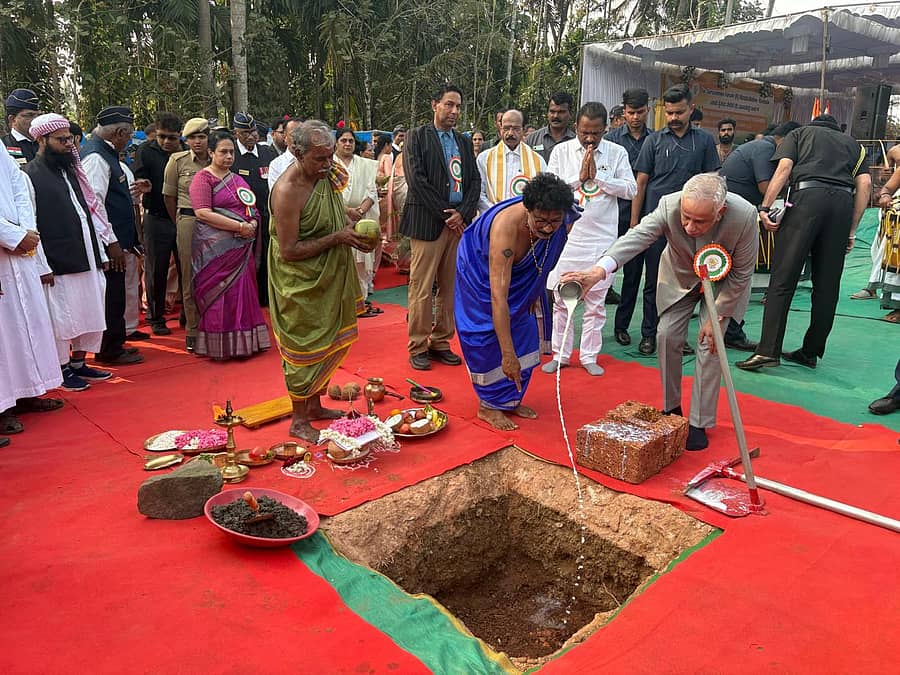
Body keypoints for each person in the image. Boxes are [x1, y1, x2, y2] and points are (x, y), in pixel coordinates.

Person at [563, 174, 758, 450]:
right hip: (679, 277)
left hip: (723, 286)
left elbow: (742, 272)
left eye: (700, 221)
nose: (689, 227)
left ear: (721, 211)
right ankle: (671, 409)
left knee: (709, 345)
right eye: (686, 218)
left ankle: (699, 422)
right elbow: (636, 238)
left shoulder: (745, 215)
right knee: (666, 335)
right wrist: (598, 270)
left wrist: (719, 315)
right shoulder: (669, 205)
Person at [737, 114, 872, 371]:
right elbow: (864, 184)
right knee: (827, 286)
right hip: (842, 205)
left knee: (783, 279)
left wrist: (765, 207)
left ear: (814, 124)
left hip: (806, 200)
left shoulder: (798, 135)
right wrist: (852, 230)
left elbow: (784, 169)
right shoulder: (855, 145)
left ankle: (767, 351)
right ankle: (810, 352)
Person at [268, 120, 374, 442]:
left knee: (325, 344)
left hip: (328, 274)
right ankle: (299, 420)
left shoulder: (325, 175)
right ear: (297, 153)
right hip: (298, 279)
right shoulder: (287, 190)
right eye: (320, 158)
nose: (328, 164)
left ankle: (314, 406)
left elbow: (328, 207)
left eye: (330, 157)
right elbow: (289, 251)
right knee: (304, 347)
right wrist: (338, 238)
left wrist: (348, 217)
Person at [456, 173, 579, 430]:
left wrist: (531, 291)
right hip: (480, 274)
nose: (548, 228)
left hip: (523, 275)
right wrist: (507, 355)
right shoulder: (506, 231)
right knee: (486, 333)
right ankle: (488, 406)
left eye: (554, 221)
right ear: (528, 209)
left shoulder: (564, 220)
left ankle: (509, 400)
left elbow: (548, 256)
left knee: (524, 328)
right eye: (541, 221)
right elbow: (498, 298)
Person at [22, 113, 116, 392]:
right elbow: (30, 223)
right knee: (64, 319)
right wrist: (41, 265)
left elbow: (90, 212)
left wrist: (103, 251)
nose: (69, 145)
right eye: (61, 140)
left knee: (91, 313)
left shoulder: (72, 170)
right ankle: (62, 369)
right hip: (57, 260)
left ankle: (79, 364)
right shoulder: (29, 175)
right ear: (41, 139)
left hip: (87, 254)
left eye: (70, 139)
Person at [626, 84, 720, 355]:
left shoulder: (703, 141)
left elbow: (713, 181)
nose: (674, 117)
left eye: (679, 112)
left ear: (691, 109)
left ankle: (677, 336)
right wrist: (635, 221)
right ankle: (649, 334)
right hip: (658, 222)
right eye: (669, 113)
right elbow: (640, 183)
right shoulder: (653, 141)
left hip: (692, 226)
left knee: (688, 283)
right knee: (654, 281)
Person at [544, 102, 636, 376]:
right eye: (585, 132)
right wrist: (578, 177)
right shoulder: (561, 151)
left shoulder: (617, 152)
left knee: (596, 302)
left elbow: (631, 189)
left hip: (602, 239)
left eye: (596, 133)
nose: (590, 138)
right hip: (569, 237)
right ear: (576, 128)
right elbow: (550, 185)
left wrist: (602, 178)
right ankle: (560, 355)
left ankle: (589, 355)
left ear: (605, 129)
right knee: (562, 299)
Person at [400, 83, 480, 371]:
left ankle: (442, 341)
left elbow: (474, 182)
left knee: (450, 287)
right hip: (428, 222)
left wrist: (462, 213)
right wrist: (446, 213)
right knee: (422, 287)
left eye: (458, 106)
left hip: (457, 226)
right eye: (449, 104)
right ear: (434, 105)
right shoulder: (417, 137)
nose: (454, 111)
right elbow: (416, 179)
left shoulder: (462, 141)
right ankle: (418, 345)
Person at [0, 140, 63, 442]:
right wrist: (12, 235)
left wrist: (26, 229)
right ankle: (3, 406)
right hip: (4, 250)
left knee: (24, 326)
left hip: (21, 251)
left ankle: (27, 392)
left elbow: (18, 187)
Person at [188, 130, 270, 360]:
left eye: (231, 152)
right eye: (223, 152)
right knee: (220, 293)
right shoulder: (203, 179)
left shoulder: (238, 179)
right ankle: (221, 347)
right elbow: (202, 213)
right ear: (211, 152)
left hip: (241, 249)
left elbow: (250, 206)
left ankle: (245, 343)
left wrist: (252, 221)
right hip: (217, 251)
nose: (228, 156)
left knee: (242, 292)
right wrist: (239, 228)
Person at [719, 121, 801, 350]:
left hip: (732, 214)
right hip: (733, 216)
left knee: (730, 275)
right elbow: (767, 187)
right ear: (786, 139)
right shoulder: (764, 149)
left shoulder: (758, 147)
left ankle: (727, 327)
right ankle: (730, 331)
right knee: (738, 275)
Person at [81, 105, 144, 365]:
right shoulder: (96, 157)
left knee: (117, 293)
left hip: (115, 238)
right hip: (109, 242)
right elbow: (94, 204)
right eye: (128, 136)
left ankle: (116, 341)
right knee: (111, 295)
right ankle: (109, 349)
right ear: (119, 132)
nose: (128, 141)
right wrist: (112, 242)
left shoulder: (106, 153)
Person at [605, 88, 652, 340]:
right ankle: (611, 325)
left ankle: (637, 329)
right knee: (612, 271)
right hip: (615, 216)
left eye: (640, 112)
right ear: (623, 112)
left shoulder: (655, 139)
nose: (635, 117)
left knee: (641, 276)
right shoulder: (612, 140)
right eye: (631, 112)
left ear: (648, 111)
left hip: (646, 216)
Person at [132, 111, 183, 336]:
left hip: (184, 218)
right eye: (162, 136)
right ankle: (155, 316)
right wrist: (142, 183)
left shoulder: (188, 152)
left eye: (171, 137)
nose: (166, 142)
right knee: (156, 269)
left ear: (179, 136)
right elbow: (137, 176)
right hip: (156, 218)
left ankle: (189, 313)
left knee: (188, 268)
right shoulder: (145, 150)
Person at [162, 117, 211, 352]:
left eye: (201, 136)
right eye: (192, 138)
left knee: (214, 274)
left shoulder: (219, 158)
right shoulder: (177, 161)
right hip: (188, 220)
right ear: (186, 140)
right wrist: (181, 221)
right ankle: (193, 328)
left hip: (216, 222)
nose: (197, 142)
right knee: (189, 275)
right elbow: (168, 197)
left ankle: (215, 326)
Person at [231, 112, 278, 307]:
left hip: (266, 216)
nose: (251, 136)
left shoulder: (267, 153)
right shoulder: (231, 154)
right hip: (239, 219)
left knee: (267, 257)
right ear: (236, 133)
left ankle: (265, 298)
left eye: (253, 132)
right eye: (245, 133)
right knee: (244, 260)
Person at [333, 126, 381, 314]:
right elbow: (329, 193)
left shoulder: (365, 164)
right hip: (337, 217)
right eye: (343, 140)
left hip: (362, 218)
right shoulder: (330, 164)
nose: (347, 144)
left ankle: (360, 303)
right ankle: (341, 305)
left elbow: (372, 192)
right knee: (339, 262)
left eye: (350, 141)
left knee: (361, 262)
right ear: (336, 143)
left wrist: (359, 212)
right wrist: (346, 213)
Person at [851, 144, 900, 323]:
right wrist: (885, 194)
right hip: (897, 211)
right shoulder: (894, 151)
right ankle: (873, 288)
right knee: (882, 250)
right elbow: (886, 186)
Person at [477, 109, 546, 213]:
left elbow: (543, 192)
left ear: (523, 130)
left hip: (526, 220)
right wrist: (496, 213)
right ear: (500, 128)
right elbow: (479, 193)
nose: (510, 133)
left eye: (516, 129)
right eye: (506, 128)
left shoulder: (537, 161)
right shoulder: (484, 158)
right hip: (493, 219)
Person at [526, 92, 577, 164]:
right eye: (552, 111)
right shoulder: (532, 139)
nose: (555, 116)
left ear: (570, 113)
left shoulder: (575, 141)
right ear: (547, 113)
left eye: (561, 112)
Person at [2, 88, 42, 165]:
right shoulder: (4, 146)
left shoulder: (44, 142)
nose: (36, 120)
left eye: (38, 115)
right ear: (12, 119)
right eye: (29, 115)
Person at [266, 118, 304, 190]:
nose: (298, 138)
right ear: (285, 138)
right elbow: (277, 195)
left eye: (301, 134)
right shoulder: (276, 165)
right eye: (293, 135)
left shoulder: (312, 160)